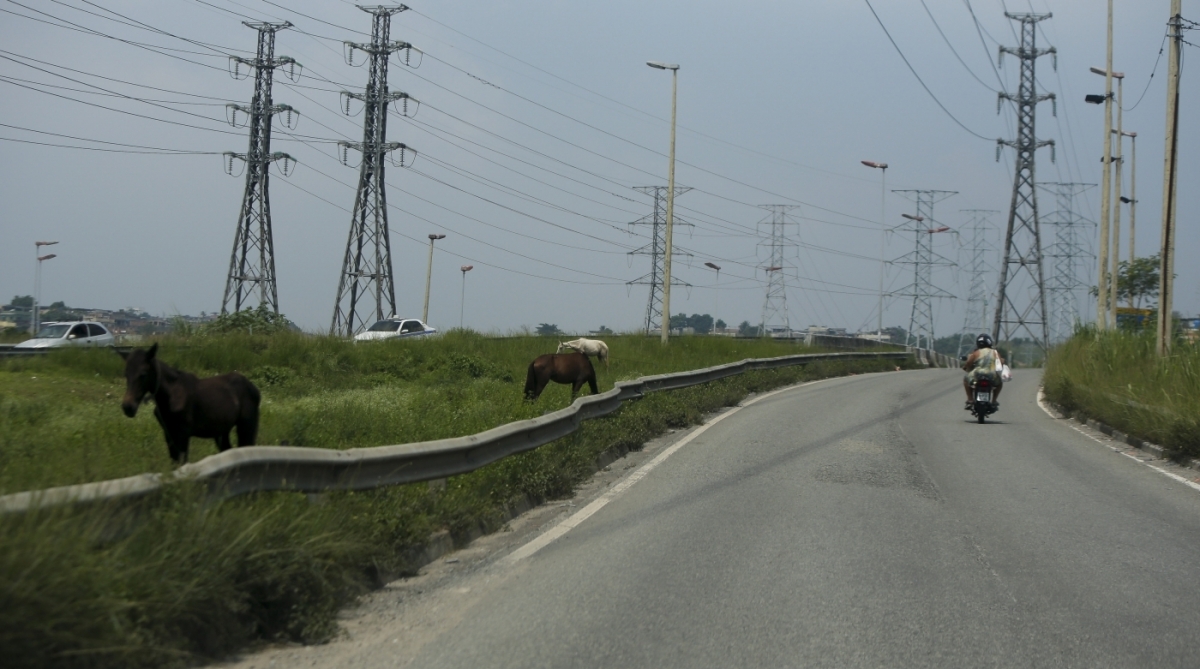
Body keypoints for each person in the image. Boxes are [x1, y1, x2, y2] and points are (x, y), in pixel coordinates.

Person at [962, 333, 1004, 410]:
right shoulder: (995, 353)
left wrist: (965, 367)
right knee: (1000, 383)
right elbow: (1001, 363)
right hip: (992, 375)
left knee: (965, 380)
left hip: (977, 374)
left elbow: (968, 363)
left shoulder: (976, 353)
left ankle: (970, 399)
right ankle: (994, 400)